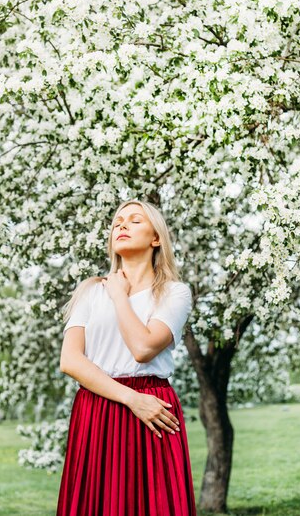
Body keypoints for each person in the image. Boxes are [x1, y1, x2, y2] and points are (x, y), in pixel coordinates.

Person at [56, 198, 197, 516]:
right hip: (99, 406)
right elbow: (71, 360)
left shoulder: (174, 293)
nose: (122, 225)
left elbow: (143, 348)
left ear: (155, 238)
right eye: (118, 221)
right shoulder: (91, 291)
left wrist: (120, 295)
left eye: (135, 220)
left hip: (155, 410)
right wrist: (131, 399)